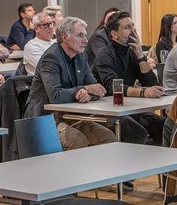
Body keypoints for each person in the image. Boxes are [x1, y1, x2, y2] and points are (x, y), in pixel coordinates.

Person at [24, 17, 115, 149]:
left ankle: (99, 170)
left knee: (108, 137)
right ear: (65, 37)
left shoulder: (80, 56)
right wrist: (84, 89)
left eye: (85, 35)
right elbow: (55, 96)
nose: (86, 40)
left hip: (71, 115)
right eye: (80, 35)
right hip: (47, 119)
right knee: (78, 141)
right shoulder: (51, 58)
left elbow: (97, 88)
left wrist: (88, 94)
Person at [92, 11, 165, 144]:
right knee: (138, 134)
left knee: (164, 126)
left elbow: (151, 84)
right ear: (114, 34)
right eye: (127, 27)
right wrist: (142, 92)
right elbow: (113, 86)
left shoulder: (132, 52)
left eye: (133, 26)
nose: (134, 30)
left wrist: (140, 55)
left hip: (128, 106)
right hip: (108, 109)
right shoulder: (105, 55)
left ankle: (155, 161)